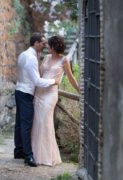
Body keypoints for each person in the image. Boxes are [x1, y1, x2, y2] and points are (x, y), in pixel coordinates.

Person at [31, 35, 79, 166]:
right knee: (37, 121)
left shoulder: (64, 60)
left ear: (54, 47)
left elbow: (71, 78)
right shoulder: (46, 57)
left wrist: (80, 89)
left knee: (44, 122)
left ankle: (47, 157)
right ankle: (35, 154)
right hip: (40, 92)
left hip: (51, 94)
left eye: (49, 46)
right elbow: (39, 75)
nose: (47, 47)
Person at [14, 33, 59, 167]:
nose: (45, 45)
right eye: (43, 43)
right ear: (36, 43)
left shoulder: (24, 54)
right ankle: (28, 156)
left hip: (19, 90)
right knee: (26, 125)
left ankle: (19, 151)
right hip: (26, 92)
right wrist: (53, 81)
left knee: (20, 123)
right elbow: (37, 81)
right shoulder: (31, 58)